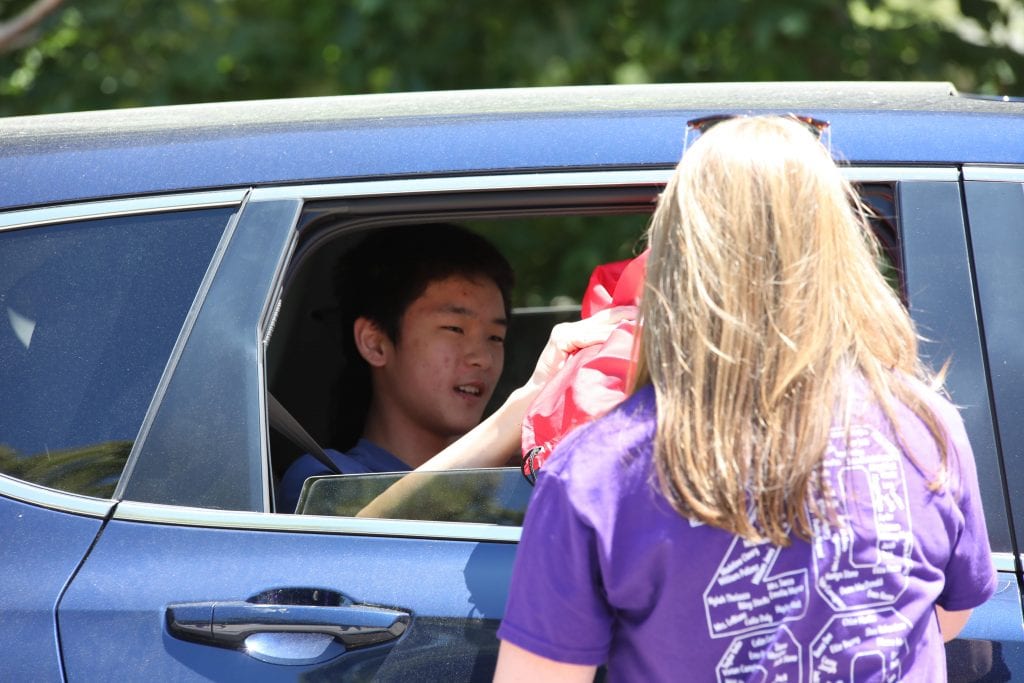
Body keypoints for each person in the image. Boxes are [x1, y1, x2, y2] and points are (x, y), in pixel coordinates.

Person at [494, 116, 996, 681]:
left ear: (675, 259)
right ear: (839, 250)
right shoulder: (925, 428)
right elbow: (949, 617)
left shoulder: (596, 471)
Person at [279, 223, 625, 512]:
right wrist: (526, 403)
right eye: (455, 329)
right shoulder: (324, 479)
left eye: (495, 337)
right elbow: (360, 544)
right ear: (375, 342)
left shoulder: (521, 479)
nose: (482, 358)